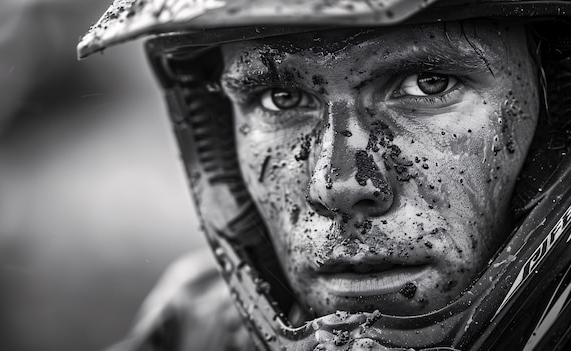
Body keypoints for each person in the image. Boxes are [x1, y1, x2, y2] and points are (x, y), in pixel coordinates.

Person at [78, 0, 571, 350]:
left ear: (554, 121)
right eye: (280, 99)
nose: (338, 185)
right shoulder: (194, 328)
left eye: (428, 84)